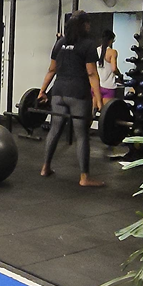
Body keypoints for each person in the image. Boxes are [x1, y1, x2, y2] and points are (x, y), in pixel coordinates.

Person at [37, 11, 105, 186]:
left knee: (55, 129)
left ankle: (45, 167)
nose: (89, 26)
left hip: (58, 92)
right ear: (84, 25)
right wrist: (99, 100)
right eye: (88, 23)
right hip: (77, 94)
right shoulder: (88, 45)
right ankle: (84, 177)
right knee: (81, 134)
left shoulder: (60, 43)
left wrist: (42, 91)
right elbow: (91, 74)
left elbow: (51, 70)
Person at [95, 29, 120, 104]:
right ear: (111, 40)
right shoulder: (112, 52)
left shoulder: (95, 50)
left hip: (96, 87)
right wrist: (120, 75)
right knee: (106, 110)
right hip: (109, 87)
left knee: (93, 109)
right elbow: (114, 69)